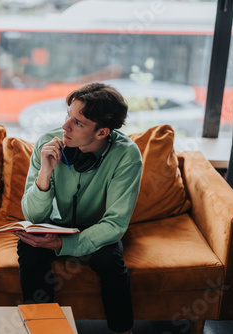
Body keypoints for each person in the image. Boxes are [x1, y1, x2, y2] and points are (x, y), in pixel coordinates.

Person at [14, 82, 142, 334]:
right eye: (67, 116)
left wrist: (66, 245)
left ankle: (122, 330)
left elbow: (115, 223)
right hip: (54, 223)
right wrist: (45, 172)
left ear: (102, 132)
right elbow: (32, 215)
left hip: (97, 226)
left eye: (78, 123)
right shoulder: (47, 143)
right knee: (29, 249)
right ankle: (43, 330)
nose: (65, 127)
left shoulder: (127, 156)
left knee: (110, 260)